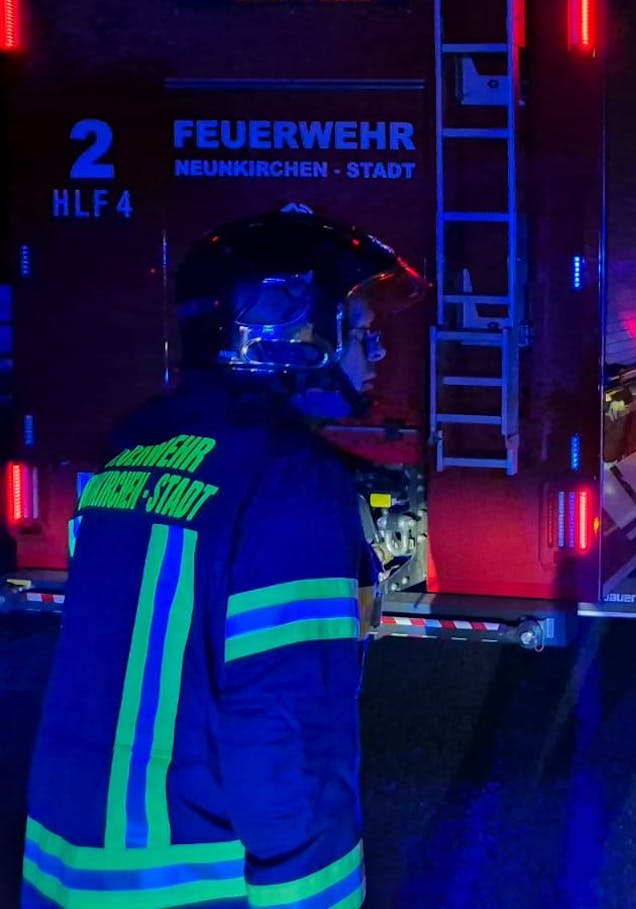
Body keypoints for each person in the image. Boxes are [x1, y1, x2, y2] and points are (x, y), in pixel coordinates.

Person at [20, 205, 420, 908]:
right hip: (190, 881)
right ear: (286, 328)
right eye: (359, 328)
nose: (376, 350)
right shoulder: (291, 481)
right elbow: (287, 733)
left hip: (67, 872)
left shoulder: (131, 453)